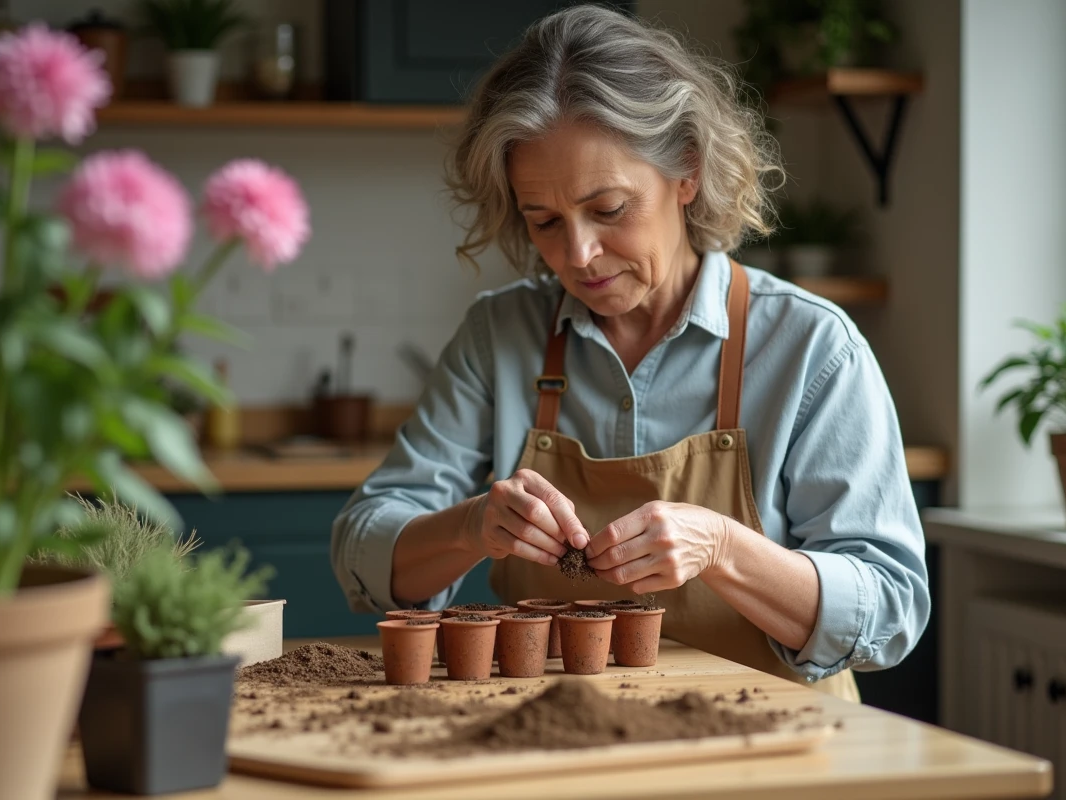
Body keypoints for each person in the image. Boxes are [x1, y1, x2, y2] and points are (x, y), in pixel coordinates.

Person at [331, 5, 928, 700]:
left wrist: (723, 547)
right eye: (544, 220)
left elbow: (890, 609)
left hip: (768, 750)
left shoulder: (810, 346)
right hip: (547, 737)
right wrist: (471, 526)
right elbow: (362, 551)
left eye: (609, 209)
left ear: (687, 173)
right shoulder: (501, 336)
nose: (577, 255)